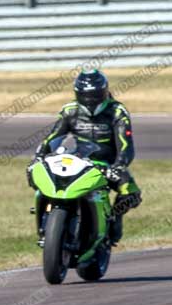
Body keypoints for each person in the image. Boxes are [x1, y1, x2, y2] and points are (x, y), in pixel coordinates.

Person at [28, 69, 142, 243]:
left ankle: (113, 217)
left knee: (131, 193)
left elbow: (126, 144)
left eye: (95, 95)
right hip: (78, 160)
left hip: (107, 164)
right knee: (39, 176)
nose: (90, 100)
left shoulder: (117, 111)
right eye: (85, 95)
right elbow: (52, 137)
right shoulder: (70, 110)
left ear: (104, 92)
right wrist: (38, 157)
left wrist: (119, 166)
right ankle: (46, 219)